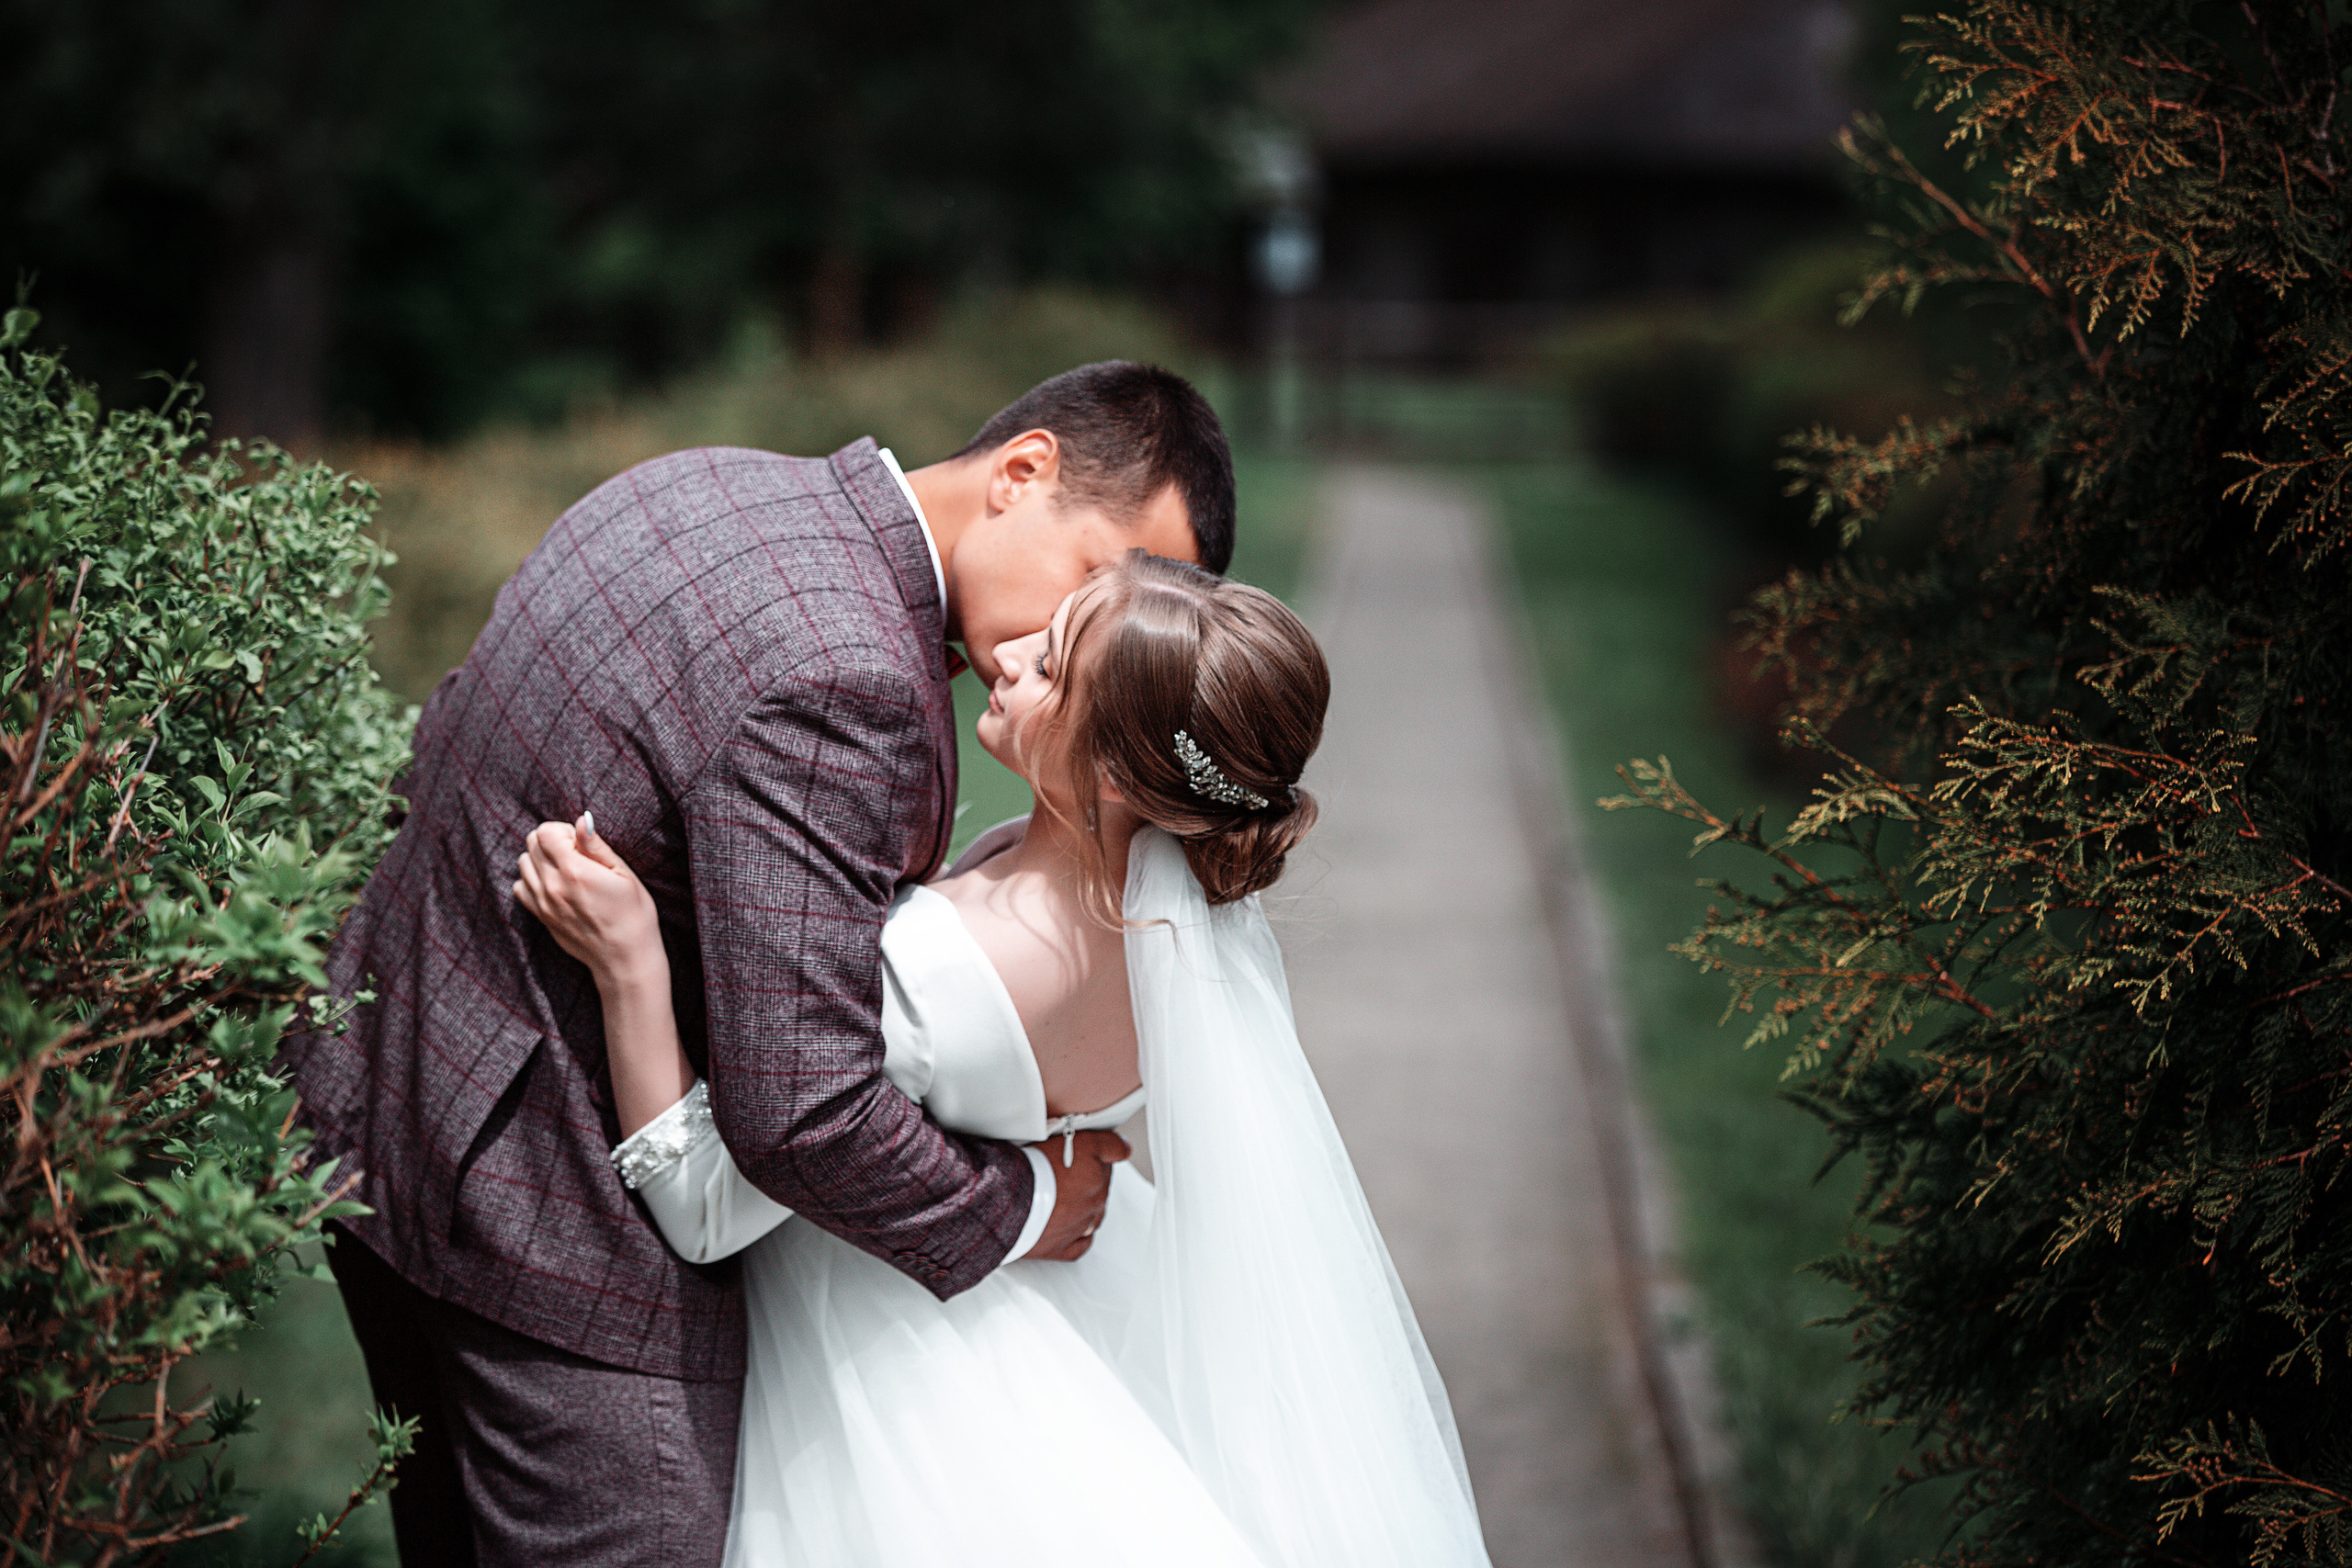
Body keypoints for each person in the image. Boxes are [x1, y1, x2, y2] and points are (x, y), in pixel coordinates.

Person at [278, 363, 1232, 1566]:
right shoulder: (854, 674)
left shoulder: (703, 484)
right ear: (1024, 470)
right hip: (554, 1230)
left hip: (395, 1120)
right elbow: (808, 1110)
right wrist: (1032, 1199)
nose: (1083, 633)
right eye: (1098, 576)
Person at [514, 551, 1494, 1567]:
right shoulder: (1181, 918)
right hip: (1068, 1302)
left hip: (894, 1352)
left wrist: (628, 960)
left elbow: (705, 1207)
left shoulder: (949, 967)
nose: (1011, 651)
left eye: (1054, 669)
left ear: (1115, 771)